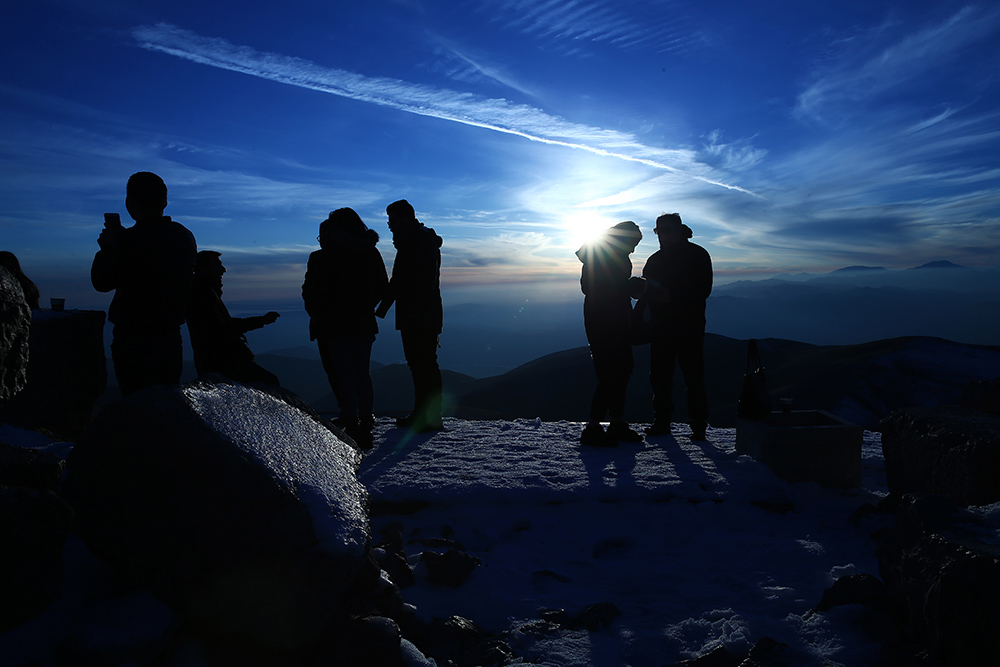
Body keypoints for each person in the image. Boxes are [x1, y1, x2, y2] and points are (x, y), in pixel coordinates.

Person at [91, 172, 197, 396]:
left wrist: (108, 248)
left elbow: (102, 281)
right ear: (165, 202)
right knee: (167, 406)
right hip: (170, 337)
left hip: (133, 340)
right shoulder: (184, 235)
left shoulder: (128, 241)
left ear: (130, 203)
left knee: (138, 408)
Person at [303, 208, 388, 447]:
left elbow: (311, 291)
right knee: (362, 371)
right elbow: (383, 285)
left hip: (334, 322)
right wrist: (365, 305)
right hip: (363, 321)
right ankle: (366, 418)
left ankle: (351, 419)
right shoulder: (369, 252)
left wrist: (319, 312)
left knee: (344, 372)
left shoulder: (323, 256)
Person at [641, 213, 713, 440]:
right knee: (661, 375)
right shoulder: (655, 259)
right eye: (659, 231)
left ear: (679, 230)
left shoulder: (698, 255)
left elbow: (703, 290)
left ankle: (698, 425)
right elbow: (648, 286)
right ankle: (662, 421)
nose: (662, 235)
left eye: (667, 230)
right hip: (662, 325)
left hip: (688, 325)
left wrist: (668, 296)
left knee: (692, 375)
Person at [375, 199, 443, 433]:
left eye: (392, 220)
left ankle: (430, 417)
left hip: (420, 316)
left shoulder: (421, 241)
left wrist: (413, 312)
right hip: (418, 314)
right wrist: (381, 308)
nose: (390, 226)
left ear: (405, 218)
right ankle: (423, 414)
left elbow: (425, 281)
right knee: (420, 365)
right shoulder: (411, 242)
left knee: (424, 365)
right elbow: (400, 280)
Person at [576, 221, 646, 446]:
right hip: (603, 321)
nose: (634, 249)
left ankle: (616, 423)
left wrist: (627, 287)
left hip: (613, 319)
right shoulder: (600, 255)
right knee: (611, 373)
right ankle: (593, 428)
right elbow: (591, 287)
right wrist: (627, 287)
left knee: (622, 371)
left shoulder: (611, 254)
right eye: (633, 243)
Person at [187, 251, 280, 386]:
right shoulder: (203, 295)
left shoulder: (204, 292)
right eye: (217, 265)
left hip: (217, 362)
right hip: (224, 362)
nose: (223, 270)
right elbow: (222, 327)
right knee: (269, 383)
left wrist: (261, 321)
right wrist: (260, 321)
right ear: (204, 269)